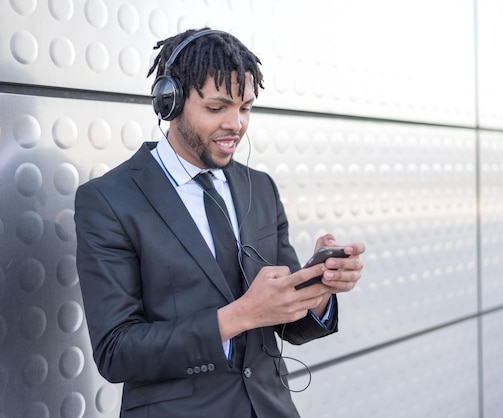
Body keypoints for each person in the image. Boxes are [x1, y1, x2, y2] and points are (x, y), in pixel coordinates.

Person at [74, 27, 365, 418]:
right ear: (169, 101)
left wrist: (318, 289)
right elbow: (116, 351)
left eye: (245, 108)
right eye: (217, 108)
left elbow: (286, 321)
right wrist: (241, 315)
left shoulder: (259, 187)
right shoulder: (109, 199)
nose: (236, 124)